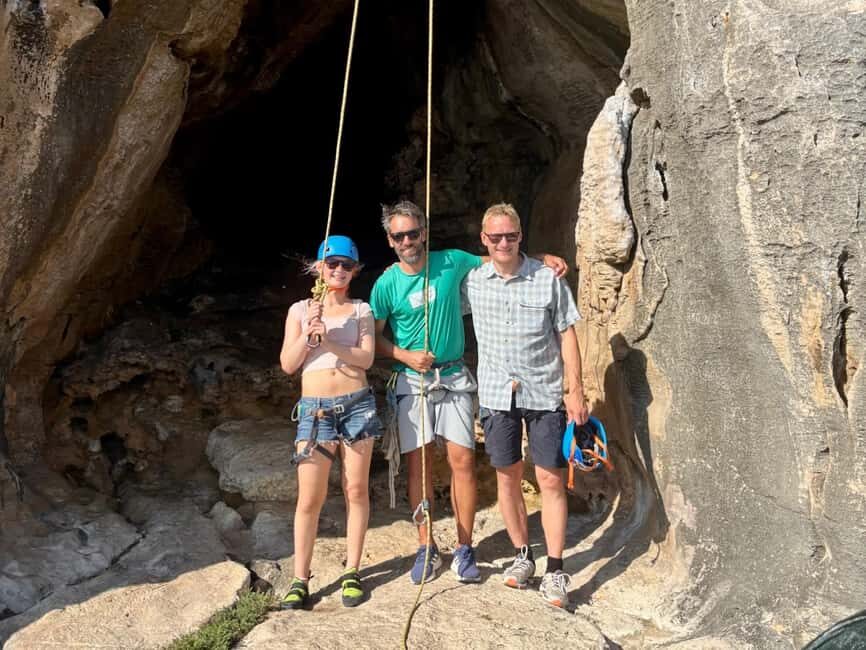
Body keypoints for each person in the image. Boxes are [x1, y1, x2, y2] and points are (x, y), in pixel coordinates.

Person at [370, 200, 567, 585]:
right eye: (399, 235)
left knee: (462, 461)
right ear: (390, 240)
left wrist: (543, 257)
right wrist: (405, 355)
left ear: (424, 232)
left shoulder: (451, 261)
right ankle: (426, 547)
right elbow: (373, 339)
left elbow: (500, 256)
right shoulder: (386, 284)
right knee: (419, 465)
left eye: (413, 232)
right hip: (414, 382)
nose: (408, 240)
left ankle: (464, 548)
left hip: (455, 376)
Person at [462, 203, 588, 609]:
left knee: (550, 479)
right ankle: (522, 557)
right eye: (495, 237)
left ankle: (555, 568)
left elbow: (567, 333)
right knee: (507, 477)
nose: (503, 243)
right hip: (498, 393)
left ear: (521, 236)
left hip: (545, 392)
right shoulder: (473, 281)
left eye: (510, 236)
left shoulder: (547, 279)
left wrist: (576, 389)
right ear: (484, 240)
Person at [278, 235, 383, 610]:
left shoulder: (361, 310)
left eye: (346, 265)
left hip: (356, 405)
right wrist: (310, 334)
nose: (338, 270)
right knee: (309, 497)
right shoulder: (300, 310)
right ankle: (299, 578)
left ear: (355, 271)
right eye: (331, 263)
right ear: (318, 267)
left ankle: (353, 570)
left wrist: (330, 342)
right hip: (315, 409)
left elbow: (366, 359)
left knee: (356, 489)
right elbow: (289, 365)